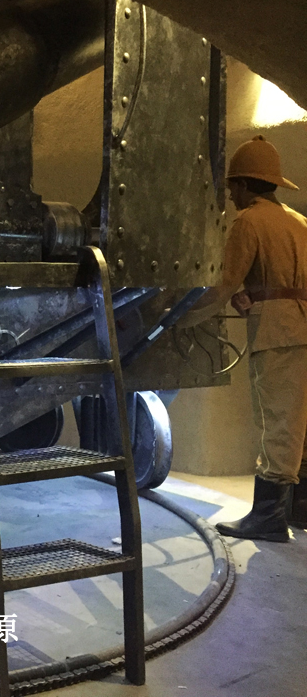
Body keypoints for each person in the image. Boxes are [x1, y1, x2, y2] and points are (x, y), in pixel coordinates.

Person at [178, 135, 307, 542]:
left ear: (247, 184)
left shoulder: (249, 222)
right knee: (299, 420)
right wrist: (260, 293)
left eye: (233, 186)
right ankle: (299, 510)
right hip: (301, 325)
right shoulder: (299, 222)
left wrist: (179, 318)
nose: (231, 195)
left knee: (277, 422)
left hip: (278, 333)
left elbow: (222, 285)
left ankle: (268, 517)